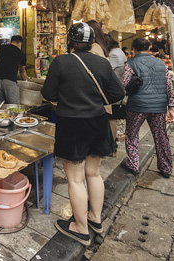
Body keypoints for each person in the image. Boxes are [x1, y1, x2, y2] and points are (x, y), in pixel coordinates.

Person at [41, 23, 125, 246]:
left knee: (75, 179)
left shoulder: (61, 62)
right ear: (92, 43)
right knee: (94, 174)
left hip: (72, 125)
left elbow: (47, 92)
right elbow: (118, 93)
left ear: (70, 41)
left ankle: (80, 227)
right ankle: (95, 218)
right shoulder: (102, 62)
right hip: (98, 122)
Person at [122, 38, 174, 178]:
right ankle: (166, 167)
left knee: (132, 135)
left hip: (137, 106)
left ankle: (133, 164)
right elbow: (169, 86)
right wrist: (171, 107)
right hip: (158, 106)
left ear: (133, 49)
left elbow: (124, 83)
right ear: (149, 47)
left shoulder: (130, 63)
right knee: (161, 136)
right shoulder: (160, 63)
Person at [0, 35, 28, 104]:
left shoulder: (1, 48)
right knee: (14, 108)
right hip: (10, 82)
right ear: (20, 43)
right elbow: (22, 72)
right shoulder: (21, 54)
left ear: (11, 42)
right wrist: (26, 82)